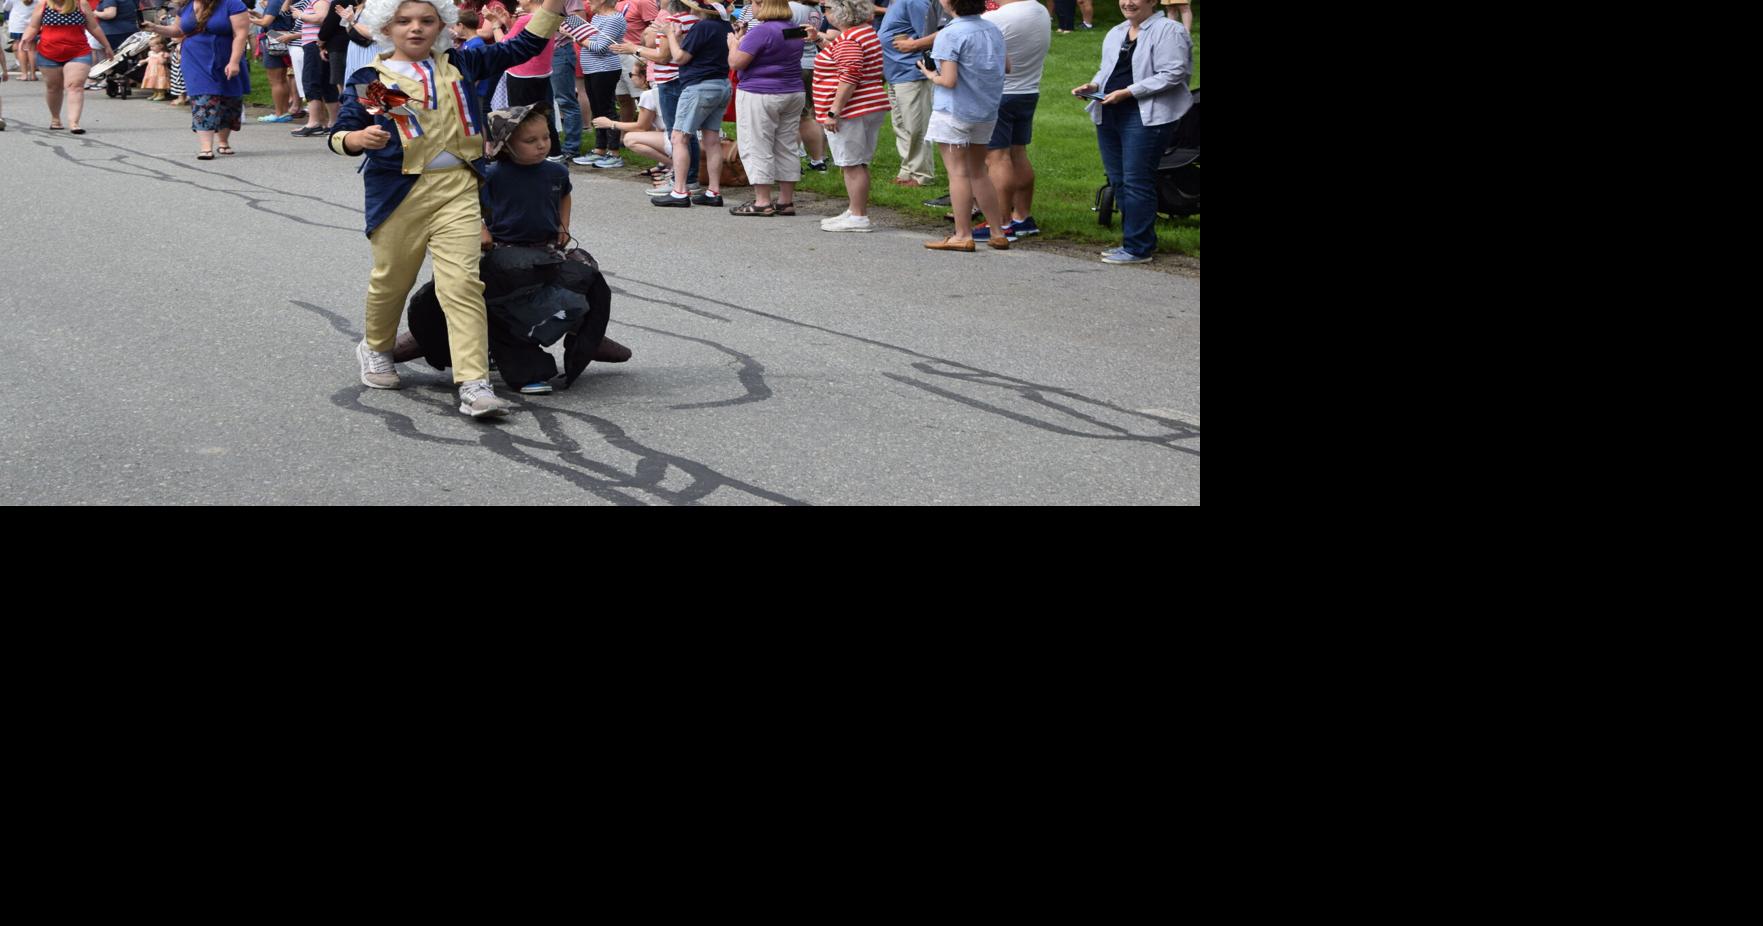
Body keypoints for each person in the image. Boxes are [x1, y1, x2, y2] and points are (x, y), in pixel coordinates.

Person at [329, 0, 571, 419]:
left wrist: (552, 5)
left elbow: (523, 46)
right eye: (403, 21)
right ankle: (376, 346)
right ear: (386, 28)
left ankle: (474, 383)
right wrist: (355, 140)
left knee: (461, 284)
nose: (415, 29)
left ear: (442, 25)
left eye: (426, 20)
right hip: (399, 194)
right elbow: (342, 130)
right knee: (392, 281)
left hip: (458, 188)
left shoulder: (461, 62)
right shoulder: (371, 79)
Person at [1072, 0, 1190, 264]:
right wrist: (1092, 86)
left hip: (1145, 115)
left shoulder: (1170, 30)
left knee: (1137, 180)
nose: (1127, 2)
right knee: (1119, 179)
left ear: (1152, 1)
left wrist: (1128, 92)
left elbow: (1174, 73)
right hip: (1109, 112)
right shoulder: (1116, 32)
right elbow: (1107, 70)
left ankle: (1138, 247)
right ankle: (1136, 240)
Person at [917, 0, 1004, 252]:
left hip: (954, 111)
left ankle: (962, 234)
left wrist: (929, 74)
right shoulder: (993, 29)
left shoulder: (949, 33)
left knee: (958, 173)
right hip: (986, 109)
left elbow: (949, 80)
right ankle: (997, 232)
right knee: (979, 171)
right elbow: (1005, 66)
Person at [808, 0, 887, 231]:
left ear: (842, 12)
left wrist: (833, 111)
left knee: (851, 163)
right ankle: (855, 210)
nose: (826, 13)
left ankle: (858, 216)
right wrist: (818, 39)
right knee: (857, 162)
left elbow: (849, 77)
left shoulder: (850, 39)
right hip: (867, 104)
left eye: (828, 9)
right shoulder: (863, 33)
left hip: (852, 109)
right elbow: (841, 60)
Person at [140, 0, 248, 155]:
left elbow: (241, 34)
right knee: (202, 97)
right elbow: (177, 30)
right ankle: (206, 148)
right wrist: (154, 27)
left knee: (228, 99)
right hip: (195, 58)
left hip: (225, 56)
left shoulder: (232, 4)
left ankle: (223, 141)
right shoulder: (186, 6)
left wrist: (234, 61)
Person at [726, 0, 802, 215]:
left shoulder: (762, 31)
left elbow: (736, 62)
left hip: (760, 91)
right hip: (792, 90)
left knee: (757, 143)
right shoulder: (793, 29)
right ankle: (786, 201)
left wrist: (734, 43)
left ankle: (762, 201)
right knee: (786, 144)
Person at [977, 0, 1044, 241]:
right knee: (1018, 153)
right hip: (1028, 90)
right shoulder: (1039, 10)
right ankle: (1022, 217)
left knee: (996, 158)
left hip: (1000, 93)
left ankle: (1001, 222)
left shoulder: (998, 18)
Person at [651, 0, 727, 207]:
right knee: (711, 139)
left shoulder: (702, 26)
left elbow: (679, 57)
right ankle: (713, 191)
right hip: (720, 83)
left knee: (679, 137)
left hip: (699, 86)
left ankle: (680, 191)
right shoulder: (723, 25)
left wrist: (669, 35)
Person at [875, 0, 945, 188]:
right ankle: (907, 171)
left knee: (915, 126)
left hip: (911, 72)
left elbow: (935, 34)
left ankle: (921, 175)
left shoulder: (913, 1)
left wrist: (913, 46)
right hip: (895, 73)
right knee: (901, 125)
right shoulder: (895, 3)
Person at [16, 0, 113, 133]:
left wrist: (106, 45)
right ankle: (55, 119)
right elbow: (33, 26)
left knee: (76, 86)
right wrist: (25, 39)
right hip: (48, 52)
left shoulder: (80, 4)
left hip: (78, 52)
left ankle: (74, 123)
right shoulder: (43, 5)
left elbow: (94, 27)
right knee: (53, 88)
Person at [494, 0, 562, 158]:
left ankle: (523, 152)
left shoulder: (525, 19)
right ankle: (554, 151)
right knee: (542, 113)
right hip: (541, 72)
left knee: (520, 115)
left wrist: (496, 25)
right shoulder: (548, 15)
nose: (518, 0)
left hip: (522, 73)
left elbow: (505, 44)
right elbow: (524, 40)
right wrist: (509, 23)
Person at [572, 0, 624, 166]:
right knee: (597, 110)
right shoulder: (596, 17)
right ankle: (600, 149)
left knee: (607, 109)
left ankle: (614, 153)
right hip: (591, 69)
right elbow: (591, 42)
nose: (588, 2)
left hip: (605, 69)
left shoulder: (614, 19)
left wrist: (575, 35)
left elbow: (600, 47)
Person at [590, 61, 665, 166]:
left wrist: (610, 124)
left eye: (632, 75)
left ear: (643, 77)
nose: (631, 78)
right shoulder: (660, 91)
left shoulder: (648, 95)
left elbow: (641, 127)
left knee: (630, 139)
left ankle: (671, 164)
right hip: (678, 139)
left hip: (673, 141)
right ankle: (663, 165)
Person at [288, 0, 334, 134]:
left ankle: (314, 123)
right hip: (316, 44)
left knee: (311, 81)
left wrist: (300, 15)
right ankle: (328, 122)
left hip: (314, 44)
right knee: (324, 83)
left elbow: (321, 17)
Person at [248, 0, 296, 120]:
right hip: (282, 40)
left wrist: (248, 19)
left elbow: (266, 22)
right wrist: (256, 15)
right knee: (282, 79)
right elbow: (276, 19)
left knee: (275, 81)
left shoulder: (274, 2)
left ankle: (279, 113)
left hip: (272, 41)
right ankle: (284, 112)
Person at [7, 0, 42, 83]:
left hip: (18, 24)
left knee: (21, 47)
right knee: (32, 49)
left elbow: (6, 7)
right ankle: (33, 74)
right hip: (33, 24)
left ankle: (24, 74)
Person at [140, 32, 169, 97]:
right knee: (153, 81)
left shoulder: (163, 53)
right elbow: (149, 59)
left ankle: (161, 93)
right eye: (150, 46)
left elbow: (163, 62)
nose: (151, 48)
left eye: (153, 46)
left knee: (159, 82)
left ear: (161, 46)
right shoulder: (151, 53)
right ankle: (155, 93)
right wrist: (144, 61)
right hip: (151, 71)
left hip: (160, 71)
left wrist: (161, 57)